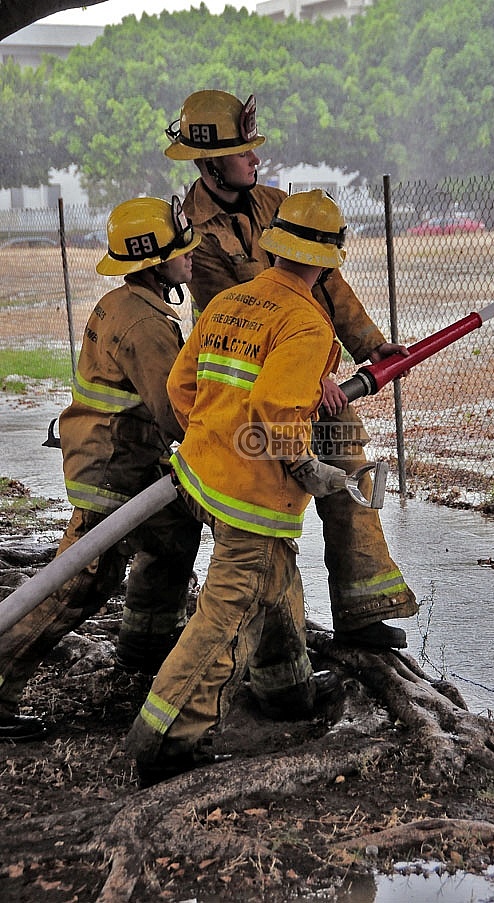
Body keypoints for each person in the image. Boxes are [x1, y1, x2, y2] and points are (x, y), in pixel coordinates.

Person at [163, 89, 418, 652]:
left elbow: (328, 280)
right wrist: (306, 378)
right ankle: (278, 641)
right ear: (210, 162)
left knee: (351, 469)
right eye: (243, 153)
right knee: (273, 506)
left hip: (315, 373)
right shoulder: (196, 234)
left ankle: (362, 608)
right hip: (264, 395)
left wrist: (370, 346)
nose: (256, 160)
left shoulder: (277, 204)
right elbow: (244, 313)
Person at [126, 190, 358, 785]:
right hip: (252, 496)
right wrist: (306, 468)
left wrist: (213, 436)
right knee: (225, 613)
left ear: (275, 245)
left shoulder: (230, 301)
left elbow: (183, 386)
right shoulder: (305, 324)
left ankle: (285, 689)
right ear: (329, 259)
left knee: (275, 579)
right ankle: (167, 736)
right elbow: (278, 407)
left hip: (204, 476)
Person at [0, 196, 205, 741]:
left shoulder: (128, 304)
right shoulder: (145, 325)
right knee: (80, 581)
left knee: (174, 540)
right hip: (115, 471)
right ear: (153, 261)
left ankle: (143, 657)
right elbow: (177, 414)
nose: (191, 255)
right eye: (180, 249)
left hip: (124, 464)